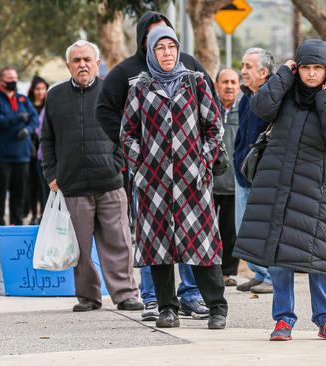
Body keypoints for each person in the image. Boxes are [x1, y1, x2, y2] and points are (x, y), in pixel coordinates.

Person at [234, 39, 326, 341]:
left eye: (318, 68)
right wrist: (283, 76)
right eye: (305, 68)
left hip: (318, 193)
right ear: (297, 69)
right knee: (278, 258)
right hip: (278, 188)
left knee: (318, 259)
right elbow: (259, 106)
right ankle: (283, 319)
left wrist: (325, 96)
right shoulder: (284, 98)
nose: (311, 74)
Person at [95, 10, 210, 322]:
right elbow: (105, 110)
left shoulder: (189, 66)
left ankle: (191, 295)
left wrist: (203, 157)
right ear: (144, 39)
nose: (164, 47)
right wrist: (137, 154)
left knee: (189, 234)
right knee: (151, 235)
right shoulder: (127, 73)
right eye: (155, 37)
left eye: (167, 37)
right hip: (150, 175)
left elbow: (208, 111)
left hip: (187, 174)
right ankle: (152, 298)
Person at [121, 26, 227, 330]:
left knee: (202, 245)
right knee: (160, 246)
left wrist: (203, 161)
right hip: (153, 184)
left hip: (192, 181)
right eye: (160, 48)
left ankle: (217, 306)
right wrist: (139, 165)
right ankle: (168, 308)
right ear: (151, 52)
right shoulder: (140, 88)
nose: (166, 54)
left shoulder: (195, 83)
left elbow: (213, 127)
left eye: (171, 47)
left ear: (178, 50)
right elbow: (128, 132)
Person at [41, 40, 142, 312]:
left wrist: (118, 164)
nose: (82, 64)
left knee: (118, 242)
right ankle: (88, 296)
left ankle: (125, 294)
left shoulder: (113, 91)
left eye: (87, 59)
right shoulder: (55, 96)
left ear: (98, 63)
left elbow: (128, 131)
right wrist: (52, 173)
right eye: (77, 60)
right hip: (72, 185)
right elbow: (47, 140)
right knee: (80, 249)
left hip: (110, 182)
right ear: (68, 66)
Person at [232, 48, 275, 294]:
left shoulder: (272, 97)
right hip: (243, 174)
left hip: (264, 176)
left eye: (248, 66)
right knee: (243, 229)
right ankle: (259, 273)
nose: (243, 71)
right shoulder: (246, 96)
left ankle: (270, 276)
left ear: (263, 72)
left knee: (263, 229)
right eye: (243, 65)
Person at [0, 66, 39, 226]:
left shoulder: (22, 99)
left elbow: (33, 118)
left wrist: (27, 130)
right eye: (9, 78)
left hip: (21, 154)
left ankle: (17, 223)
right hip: (0, 155)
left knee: (19, 194)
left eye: (15, 77)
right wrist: (16, 118)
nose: (13, 81)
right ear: (1, 80)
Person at [213, 68, 241, 287]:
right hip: (210, 184)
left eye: (233, 82)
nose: (229, 86)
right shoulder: (208, 109)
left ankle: (228, 272)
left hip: (234, 182)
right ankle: (209, 270)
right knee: (208, 231)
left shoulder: (244, 109)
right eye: (225, 82)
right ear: (216, 85)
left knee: (230, 232)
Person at [26, 76, 49, 224]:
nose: (40, 92)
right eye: (37, 89)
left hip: (43, 152)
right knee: (31, 185)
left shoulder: (50, 104)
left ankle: (43, 213)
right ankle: (33, 213)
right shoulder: (28, 105)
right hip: (29, 150)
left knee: (43, 186)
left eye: (42, 89)